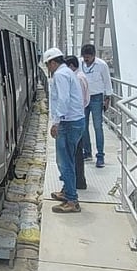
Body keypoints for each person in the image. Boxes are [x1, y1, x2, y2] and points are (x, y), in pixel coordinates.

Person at [43, 47, 85, 213]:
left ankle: (72, 200)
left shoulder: (60, 75)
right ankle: (67, 191)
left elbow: (63, 99)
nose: (48, 68)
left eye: (48, 65)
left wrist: (56, 122)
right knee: (69, 159)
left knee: (64, 162)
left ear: (53, 62)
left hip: (67, 123)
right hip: (76, 121)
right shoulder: (68, 72)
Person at [79, 44, 113, 168]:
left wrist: (107, 98)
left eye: (88, 57)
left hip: (97, 98)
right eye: (84, 57)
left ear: (93, 55)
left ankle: (100, 156)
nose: (86, 60)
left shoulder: (102, 65)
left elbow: (107, 82)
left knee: (98, 127)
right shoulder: (79, 63)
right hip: (83, 97)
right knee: (83, 125)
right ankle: (87, 152)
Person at [64, 56, 89, 189]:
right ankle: (79, 181)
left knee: (73, 153)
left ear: (72, 66)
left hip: (75, 119)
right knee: (77, 152)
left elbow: (76, 100)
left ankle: (77, 182)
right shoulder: (81, 76)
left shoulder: (77, 79)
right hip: (79, 116)